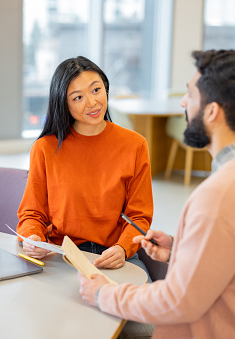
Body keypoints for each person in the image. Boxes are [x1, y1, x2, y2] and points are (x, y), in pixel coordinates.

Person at [78, 49, 235, 338]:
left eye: (190, 95)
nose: (184, 103)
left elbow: (177, 301)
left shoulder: (219, 195)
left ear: (211, 111)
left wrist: (103, 294)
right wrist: (180, 249)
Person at [17, 56, 154, 273]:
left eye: (96, 90)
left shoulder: (135, 145)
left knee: (141, 303)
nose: (91, 103)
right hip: (61, 254)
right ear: (63, 102)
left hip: (115, 254)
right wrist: (33, 237)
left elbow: (139, 216)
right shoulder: (44, 148)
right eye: (78, 97)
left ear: (106, 89)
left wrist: (123, 248)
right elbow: (32, 213)